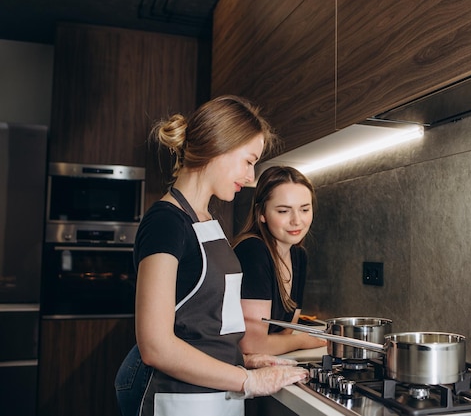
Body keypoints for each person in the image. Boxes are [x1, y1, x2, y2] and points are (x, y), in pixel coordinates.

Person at [114, 96, 308, 416]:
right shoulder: (166, 222)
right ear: (219, 146)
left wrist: (238, 358)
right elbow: (155, 346)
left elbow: (199, 324)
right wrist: (248, 380)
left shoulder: (206, 220)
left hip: (212, 394)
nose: (250, 176)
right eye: (248, 161)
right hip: (175, 397)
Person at [233, 166, 327, 356]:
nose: (297, 221)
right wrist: (302, 339)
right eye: (284, 211)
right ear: (262, 214)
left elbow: (286, 330)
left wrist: (290, 339)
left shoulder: (298, 256)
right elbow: (251, 345)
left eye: (305, 209)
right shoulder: (252, 250)